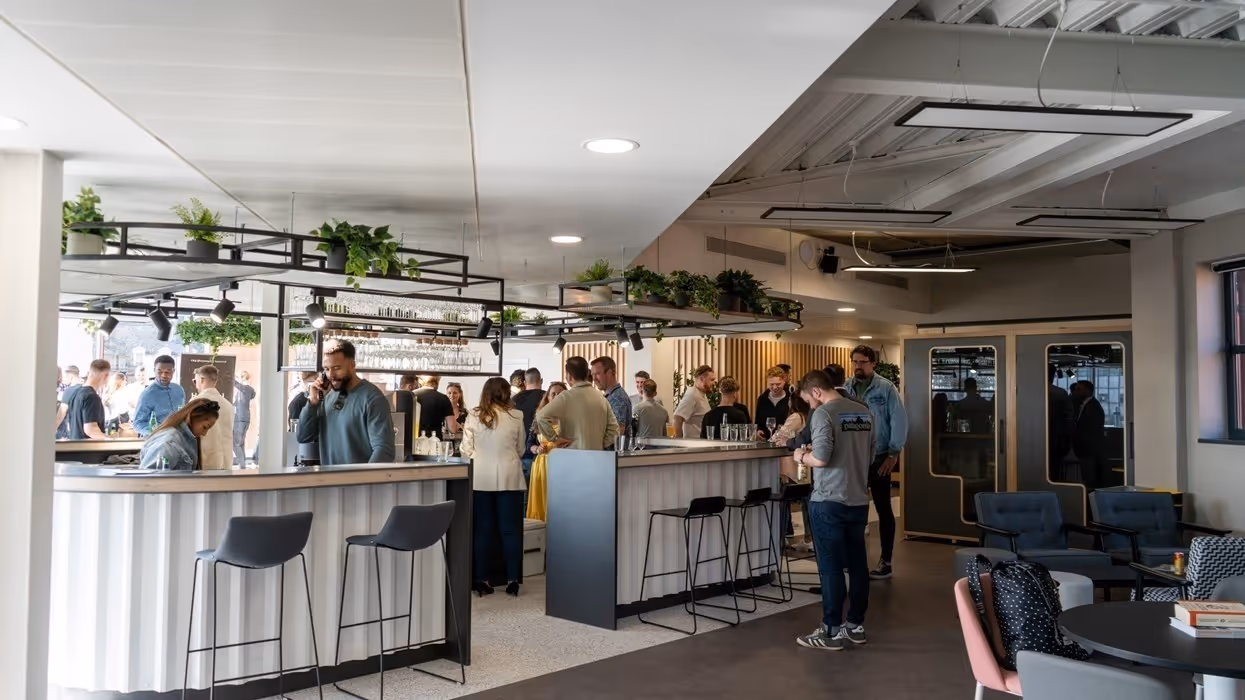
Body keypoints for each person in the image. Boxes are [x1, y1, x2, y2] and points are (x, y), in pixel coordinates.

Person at [792, 370, 874, 651]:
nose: (810, 405)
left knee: (830, 568)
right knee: (858, 566)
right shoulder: (863, 411)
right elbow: (870, 455)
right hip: (858, 499)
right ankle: (855, 626)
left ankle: (830, 631)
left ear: (816, 392)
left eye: (808, 400)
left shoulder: (823, 413)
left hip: (828, 499)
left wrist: (801, 455)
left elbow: (821, 459)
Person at [844, 345, 908, 581]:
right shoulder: (846, 387)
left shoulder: (885, 387)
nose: (857, 366)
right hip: (854, 456)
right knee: (853, 508)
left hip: (879, 455)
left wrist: (894, 453)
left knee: (883, 507)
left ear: (873, 363)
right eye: (855, 362)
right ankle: (854, 561)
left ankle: (886, 561)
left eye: (862, 362)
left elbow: (899, 419)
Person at [459, 377, 527, 597]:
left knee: (483, 531)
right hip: (510, 477)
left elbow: (465, 450)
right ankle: (513, 579)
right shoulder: (517, 416)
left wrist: (479, 458)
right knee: (510, 531)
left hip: (481, 477)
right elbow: (520, 448)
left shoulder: (474, 415)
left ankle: (482, 579)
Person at [296, 339, 396, 464]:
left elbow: (384, 451)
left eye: (337, 368)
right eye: (326, 369)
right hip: (329, 476)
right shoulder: (326, 397)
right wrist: (312, 402)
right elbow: (303, 437)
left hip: (359, 477)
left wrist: (365, 477)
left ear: (352, 365)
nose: (331, 375)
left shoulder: (372, 398)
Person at [535, 356, 618, 450]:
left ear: (569, 376)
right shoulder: (601, 398)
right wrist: (599, 444)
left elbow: (540, 416)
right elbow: (614, 429)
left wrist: (555, 439)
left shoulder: (565, 397)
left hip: (572, 454)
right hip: (596, 455)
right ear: (587, 374)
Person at [138, 398, 221, 470]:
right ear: (192, 416)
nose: (204, 433)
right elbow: (147, 480)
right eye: (205, 427)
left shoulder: (184, 441)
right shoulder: (169, 444)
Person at [526, 382, 568, 521]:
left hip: (562, 465)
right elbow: (529, 443)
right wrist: (536, 449)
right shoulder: (539, 417)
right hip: (541, 465)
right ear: (548, 397)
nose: (556, 396)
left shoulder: (570, 418)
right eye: (553, 394)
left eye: (560, 394)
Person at [192, 365, 234, 470]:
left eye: (195, 381)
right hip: (226, 463)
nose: (196, 385)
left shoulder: (196, 402)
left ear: (201, 379)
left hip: (205, 463)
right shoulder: (228, 405)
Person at [134, 355, 186, 437]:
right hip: (157, 440)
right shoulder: (147, 395)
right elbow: (138, 423)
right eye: (160, 371)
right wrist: (155, 433)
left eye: (168, 371)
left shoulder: (179, 390)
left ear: (173, 371)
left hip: (179, 438)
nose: (164, 375)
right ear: (154, 370)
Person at [60, 359, 110, 440]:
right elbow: (91, 430)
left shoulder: (76, 393)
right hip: (88, 447)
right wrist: (110, 440)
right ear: (105, 376)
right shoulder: (92, 397)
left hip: (75, 444)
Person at [1071, 380, 1107, 490]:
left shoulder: (1094, 407)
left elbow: (1091, 430)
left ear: (1087, 391)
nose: (1075, 392)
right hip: (1085, 450)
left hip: (1089, 451)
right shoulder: (1084, 405)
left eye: (1079, 389)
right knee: (1087, 478)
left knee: (1090, 481)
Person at [591, 356, 632, 434]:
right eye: (592, 375)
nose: (594, 379)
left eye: (597, 374)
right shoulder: (612, 396)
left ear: (609, 373)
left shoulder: (617, 398)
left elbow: (617, 431)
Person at [1048, 364, 1075, 479]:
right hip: (1055, 439)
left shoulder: (1025, 391)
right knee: (1054, 471)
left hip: (1029, 438)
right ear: (1053, 376)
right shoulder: (1060, 393)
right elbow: (1068, 418)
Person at [673, 364, 715, 439]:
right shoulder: (692, 395)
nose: (714, 383)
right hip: (694, 444)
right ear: (701, 379)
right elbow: (677, 418)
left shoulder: (701, 394)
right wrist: (678, 442)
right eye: (711, 380)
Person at [754, 366, 790, 439]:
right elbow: (758, 423)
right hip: (765, 442)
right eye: (771, 384)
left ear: (784, 381)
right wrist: (758, 431)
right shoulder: (762, 399)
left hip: (786, 442)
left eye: (778, 384)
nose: (775, 387)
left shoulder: (791, 398)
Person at [232, 370, 256, 467]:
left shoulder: (244, 389)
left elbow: (234, 383)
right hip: (245, 419)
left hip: (240, 419)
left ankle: (242, 465)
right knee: (241, 444)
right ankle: (242, 465)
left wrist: (230, 374)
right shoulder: (249, 390)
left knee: (236, 443)